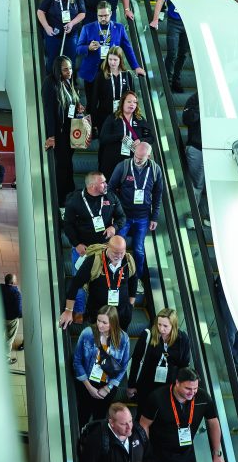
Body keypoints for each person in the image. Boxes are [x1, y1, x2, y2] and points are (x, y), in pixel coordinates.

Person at [62, 171, 126, 319]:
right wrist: (76, 244)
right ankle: (78, 310)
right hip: (84, 249)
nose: (106, 184)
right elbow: (68, 225)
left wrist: (114, 227)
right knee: (79, 280)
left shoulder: (110, 196)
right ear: (91, 186)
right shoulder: (75, 201)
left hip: (105, 249)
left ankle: (98, 312)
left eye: (105, 181)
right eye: (102, 182)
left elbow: (122, 217)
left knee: (102, 281)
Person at [108, 142, 164, 278]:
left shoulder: (155, 170)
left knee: (139, 250)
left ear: (149, 156)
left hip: (143, 217)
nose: (137, 160)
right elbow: (110, 189)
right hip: (123, 216)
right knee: (117, 248)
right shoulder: (124, 166)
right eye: (136, 156)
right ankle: (115, 277)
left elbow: (158, 194)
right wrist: (114, 211)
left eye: (141, 158)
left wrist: (154, 217)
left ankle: (136, 278)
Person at [60, 234, 137, 332]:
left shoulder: (128, 260)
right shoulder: (94, 260)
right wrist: (68, 310)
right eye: (115, 253)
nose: (119, 256)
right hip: (98, 313)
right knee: (98, 341)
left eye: (122, 253)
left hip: (121, 314)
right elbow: (75, 284)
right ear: (108, 247)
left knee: (118, 342)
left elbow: (133, 279)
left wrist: (130, 304)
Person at [77, 3, 145, 112]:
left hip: (111, 71)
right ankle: (92, 127)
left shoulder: (119, 28)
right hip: (92, 72)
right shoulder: (87, 28)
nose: (103, 18)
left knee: (108, 102)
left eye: (106, 15)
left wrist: (135, 66)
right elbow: (78, 49)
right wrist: (88, 47)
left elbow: (128, 48)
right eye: (100, 16)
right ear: (96, 14)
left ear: (111, 14)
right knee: (91, 104)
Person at [72, 305, 130, 428]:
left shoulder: (123, 339)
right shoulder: (87, 333)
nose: (100, 325)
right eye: (99, 320)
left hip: (107, 385)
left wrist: (108, 388)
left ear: (113, 323)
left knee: (99, 418)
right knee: (82, 415)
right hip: (86, 382)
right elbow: (77, 361)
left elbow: (123, 366)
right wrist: (89, 387)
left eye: (105, 322)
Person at [42, 56, 85, 205]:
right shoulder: (50, 83)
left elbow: (70, 105)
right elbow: (49, 112)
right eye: (65, 69)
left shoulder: (69, 82)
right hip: (59, 134)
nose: (69, 71)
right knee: (62, 168)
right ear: (58, 70)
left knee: (68, 166)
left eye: (71, 68)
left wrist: (78, 108)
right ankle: (61, 202)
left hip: (70, 132)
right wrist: (51, 136)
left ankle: (69, 197)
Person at [127, 308, 192, 407]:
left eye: (165, 326)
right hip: (147, 384)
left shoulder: (182, 339)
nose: (161, 329)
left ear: (173, 326)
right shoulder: (148, 335)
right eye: (159, 324)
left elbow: (184, 365)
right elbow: (136, 360)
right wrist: (131, 385)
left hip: (169, 386)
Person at [98, 90, 153, 182]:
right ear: (122, 102)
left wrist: (140, 140)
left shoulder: (140, 119)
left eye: (135, 102)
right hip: (112, 159)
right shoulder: (112, 118)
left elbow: (151, 138)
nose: (132, 104)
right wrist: (120, 136)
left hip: (133, 160)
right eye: (129, 101)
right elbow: (103, 138)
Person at [36, 0, 86, 68]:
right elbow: (40, 12)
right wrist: (46, 27)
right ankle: (52, 81)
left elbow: (82, 13)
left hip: (71, 35)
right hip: (53, 35)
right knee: (52, 61)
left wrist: (71, 23)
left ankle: (69, 81)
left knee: (70, 61)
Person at [90, 46, 136, 135]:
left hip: (123, 117)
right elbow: (94, 100)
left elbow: (133, 98)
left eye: (115, 60)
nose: (112, 62)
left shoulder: (127, 75)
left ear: (120, 60)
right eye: (110, 59)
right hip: (104, 117)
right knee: (105, 145)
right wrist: (94, 122)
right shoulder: (100, 76)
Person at [150, 0, 189, 94]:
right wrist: (155, 20)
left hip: (188, 23)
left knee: (183, 54)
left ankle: (176, 81)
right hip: (174, 23)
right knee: (172, 53)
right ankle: (168, 82)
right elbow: (160, 0)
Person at [214, 275, 238, 382]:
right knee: (234, 336)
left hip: (236, 298)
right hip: (235, 298)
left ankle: (233, 363)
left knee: (237, 339)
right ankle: (231, 363)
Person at [182, 92, 209, 223]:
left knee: (210, 185)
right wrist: (202, 104)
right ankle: (191, 215)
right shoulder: (195, 98)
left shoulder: (226, 96)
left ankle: (210, 217)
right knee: (196, 184)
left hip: (219, 148)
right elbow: (187, 119)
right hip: (197, 147)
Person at [0, 273, 22, 364]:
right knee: (9, 339)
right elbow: (18, 310)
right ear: (13, 282)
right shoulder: (16, 294)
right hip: (11, 320)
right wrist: (18, 316)